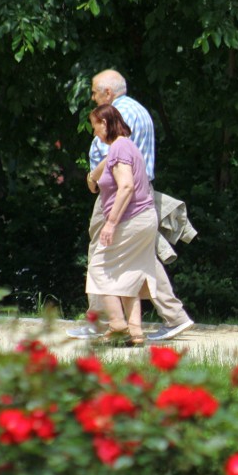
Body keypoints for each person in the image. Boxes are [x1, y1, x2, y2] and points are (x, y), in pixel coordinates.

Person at [67, 69, 194, 341]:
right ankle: (170, 317)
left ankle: (102, 322)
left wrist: (96, 184)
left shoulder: (113, 119)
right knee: (141, 261)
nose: (92, 98)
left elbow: (116, 163)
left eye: (94, 92)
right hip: (142, 194)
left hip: (117, 196)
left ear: (108, 93)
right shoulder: (141, 112)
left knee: (101, 261)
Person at [85, 104, 157, 345]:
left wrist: (110, 223)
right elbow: (108, 166)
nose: (94, 132)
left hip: (129, 220)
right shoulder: (126, 145)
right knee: (130, 276)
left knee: (99, 268)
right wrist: (92, 176)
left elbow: (125, 186)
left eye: (94, 126)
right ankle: (135, 332)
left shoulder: (118, 148)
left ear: (104, 124)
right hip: (144, 219)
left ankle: (117, 324)